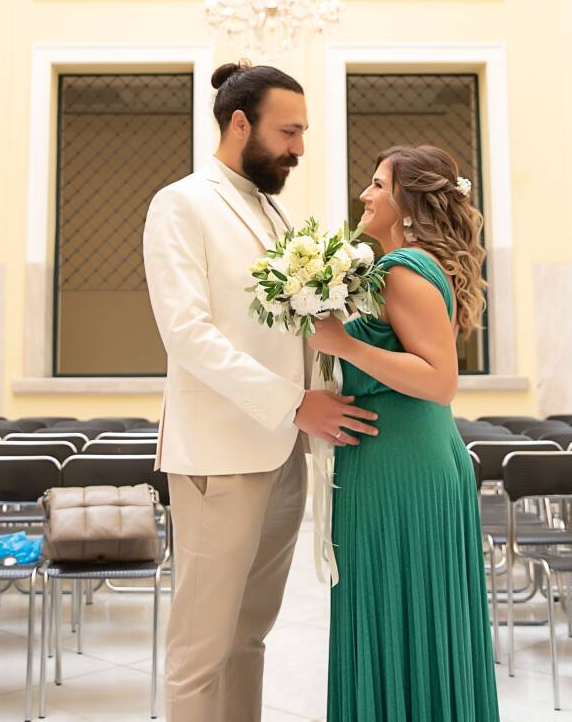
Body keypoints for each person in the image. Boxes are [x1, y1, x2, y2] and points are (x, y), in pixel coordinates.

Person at [143, 60, 379, 722]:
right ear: (240, 123)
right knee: (201, 648)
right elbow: (187, 334)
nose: (299, 148)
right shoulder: (182, 203)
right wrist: (296, 404)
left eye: (302, 133)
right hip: (220, 457)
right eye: (288, 132)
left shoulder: (274, 212)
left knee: (249, 637)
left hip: (282, 457)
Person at [308, 144, 500, 722]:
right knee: (406, 609)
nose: (363, 195)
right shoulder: (403, 266)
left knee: (397, 605)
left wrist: (342, 344)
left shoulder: (403, 270)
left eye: (377, 185)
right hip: (399, 455)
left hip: (402, 466)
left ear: (408, 201)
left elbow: (440, 381)